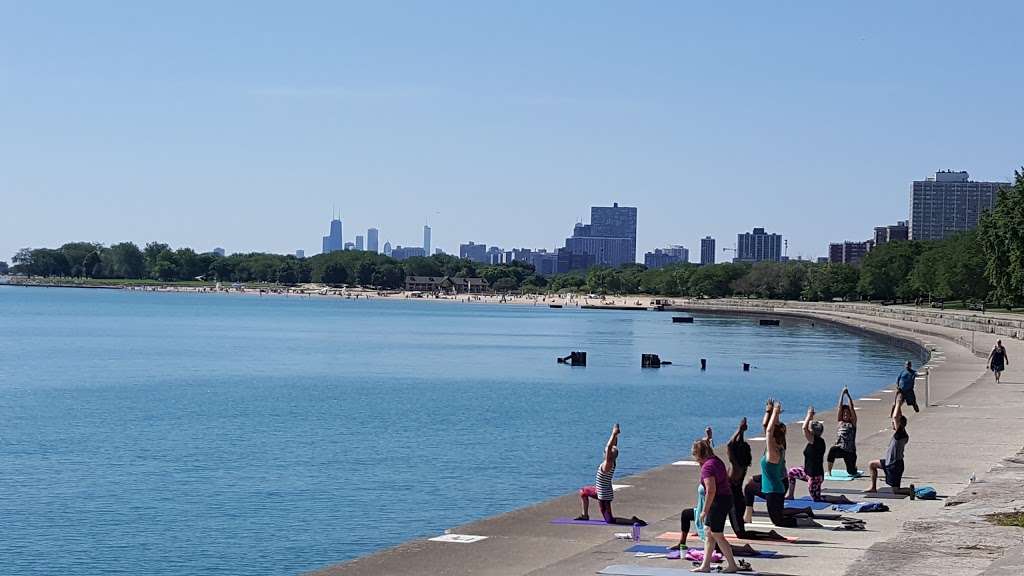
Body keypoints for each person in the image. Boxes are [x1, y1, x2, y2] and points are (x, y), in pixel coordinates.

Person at [684, 438, 750, 573]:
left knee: (717, 534)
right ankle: (705, 565)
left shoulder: (708, 467)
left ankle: (732, 565)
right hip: (724, 499)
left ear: (698, 454)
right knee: (708, 533)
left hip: (718, 501)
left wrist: (704, 510)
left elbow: (711, 490)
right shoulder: (715, 461)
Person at [576, 423, 646, 525]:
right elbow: (612, 446)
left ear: (608, 455)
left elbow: (609, 447)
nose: (604, 451)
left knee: (610, 520)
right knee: (583, 491)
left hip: (604, 496)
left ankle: (633, 520)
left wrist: (613, 434)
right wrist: (616, 435)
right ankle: (585, 515)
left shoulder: (607, 465)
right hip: (598, 490)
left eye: (606, 452)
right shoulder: (612, 461)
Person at [743, 400, 798, 528]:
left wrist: (774, 412)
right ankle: (748, 516)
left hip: (775, 489)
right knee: (749, 487)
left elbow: (768, 430)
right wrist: (772, 412)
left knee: (778, 521)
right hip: (771, 485)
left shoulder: (774, 451)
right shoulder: (777, 444)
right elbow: (767, 427)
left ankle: (804, 512)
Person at [787, 406, 854, 504]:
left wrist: (809, 415)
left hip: (815, 477)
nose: (808, 432)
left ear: (813, 432)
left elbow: (804, 428)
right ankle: (790, 495)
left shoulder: (815, 441)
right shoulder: (816, 440)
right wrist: (811, 418)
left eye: (811, 430)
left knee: (816, 498)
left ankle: (840, 498)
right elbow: (808, 428)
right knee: (791, 472)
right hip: (807, 472)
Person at [867, 393, 915, 496]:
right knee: (872, 464)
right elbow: (898, 417)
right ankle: (873, 487)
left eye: (893, 424)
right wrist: (897, 405)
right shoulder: (903, 434)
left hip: (894, 465)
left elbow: (895, 417)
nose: (892, 424)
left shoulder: (900, 435)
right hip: (889, 462)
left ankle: (911, 490)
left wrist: (898, 402)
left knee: (896, 491)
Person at [827, 388, 859, 477]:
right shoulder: (840, 422)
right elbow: (839, 407)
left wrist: (847, 395)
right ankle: (829, 471)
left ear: (850, 415)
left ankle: (854, 467)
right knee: (832, 450)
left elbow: (851, 407)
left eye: (847, 414)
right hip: (840, 448)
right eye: (844, 414)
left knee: (851, 472)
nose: (845, 415)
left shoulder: (853, 423)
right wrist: (842, 393)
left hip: (850, 451)